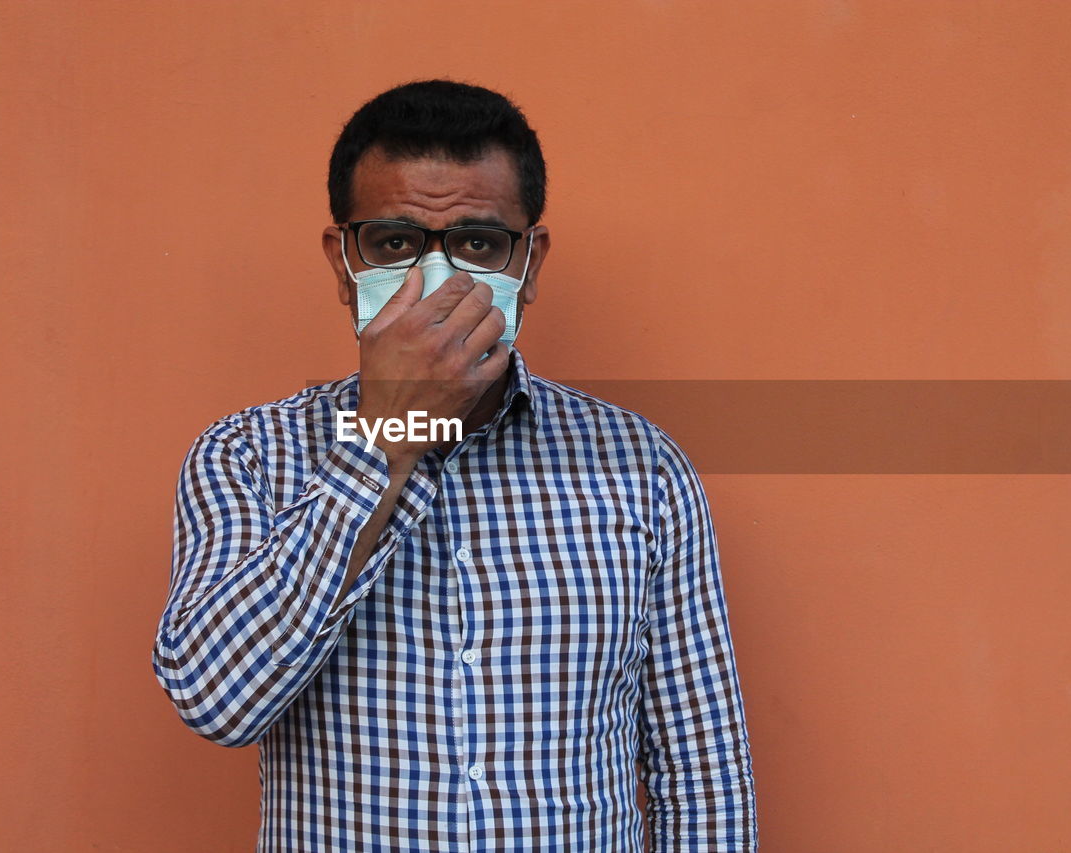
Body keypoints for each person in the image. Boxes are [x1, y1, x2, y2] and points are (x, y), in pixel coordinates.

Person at [152, 78, 757, 852]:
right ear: (344, 263)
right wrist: (388, 435)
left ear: (529, 263)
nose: (436, 280)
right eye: (396, 243)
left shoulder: (641, 471)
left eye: (476, 243)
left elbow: (701, 774)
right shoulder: (246, 456)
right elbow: (217, 699)